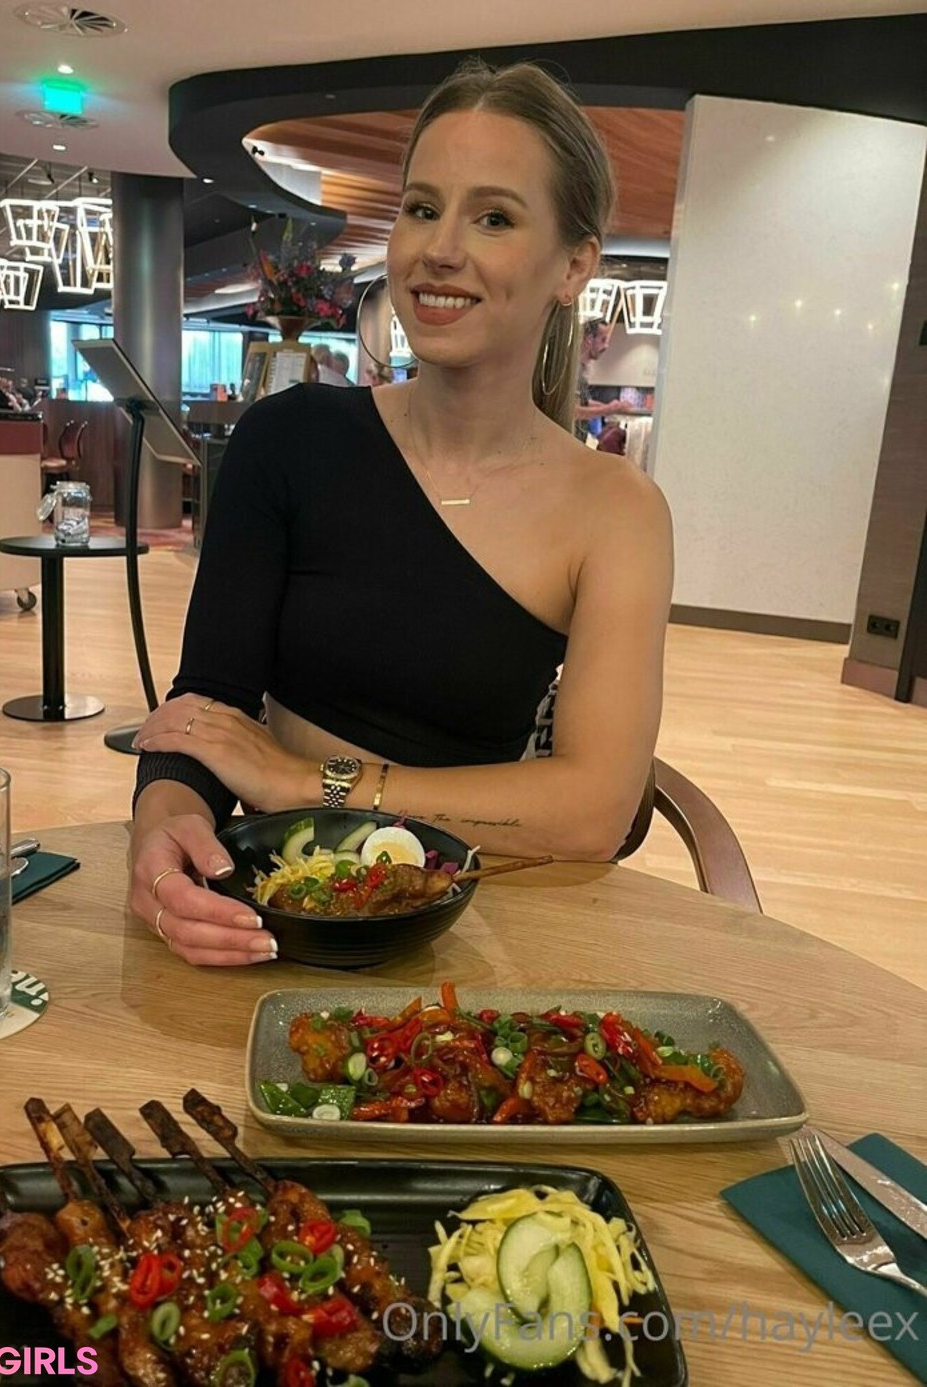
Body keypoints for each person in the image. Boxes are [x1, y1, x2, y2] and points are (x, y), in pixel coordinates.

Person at [129, 58, 673, 968]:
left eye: (493, 218)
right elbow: (204, 711)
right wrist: (165, 831)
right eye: (422, 208)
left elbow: (593, 812)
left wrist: (309, 780)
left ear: (574, 264)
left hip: (477, 931)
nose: (439, 250)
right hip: (280, 913)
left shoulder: (616, 511)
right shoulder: (287, 440)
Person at [573, 319, 640, 441]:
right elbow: (573, 411)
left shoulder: (580, 369)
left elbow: (583, 402)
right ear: (588, 339)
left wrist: (612, 407)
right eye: (603, 340)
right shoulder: (572, 369)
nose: (606, 346)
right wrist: (608, 409)